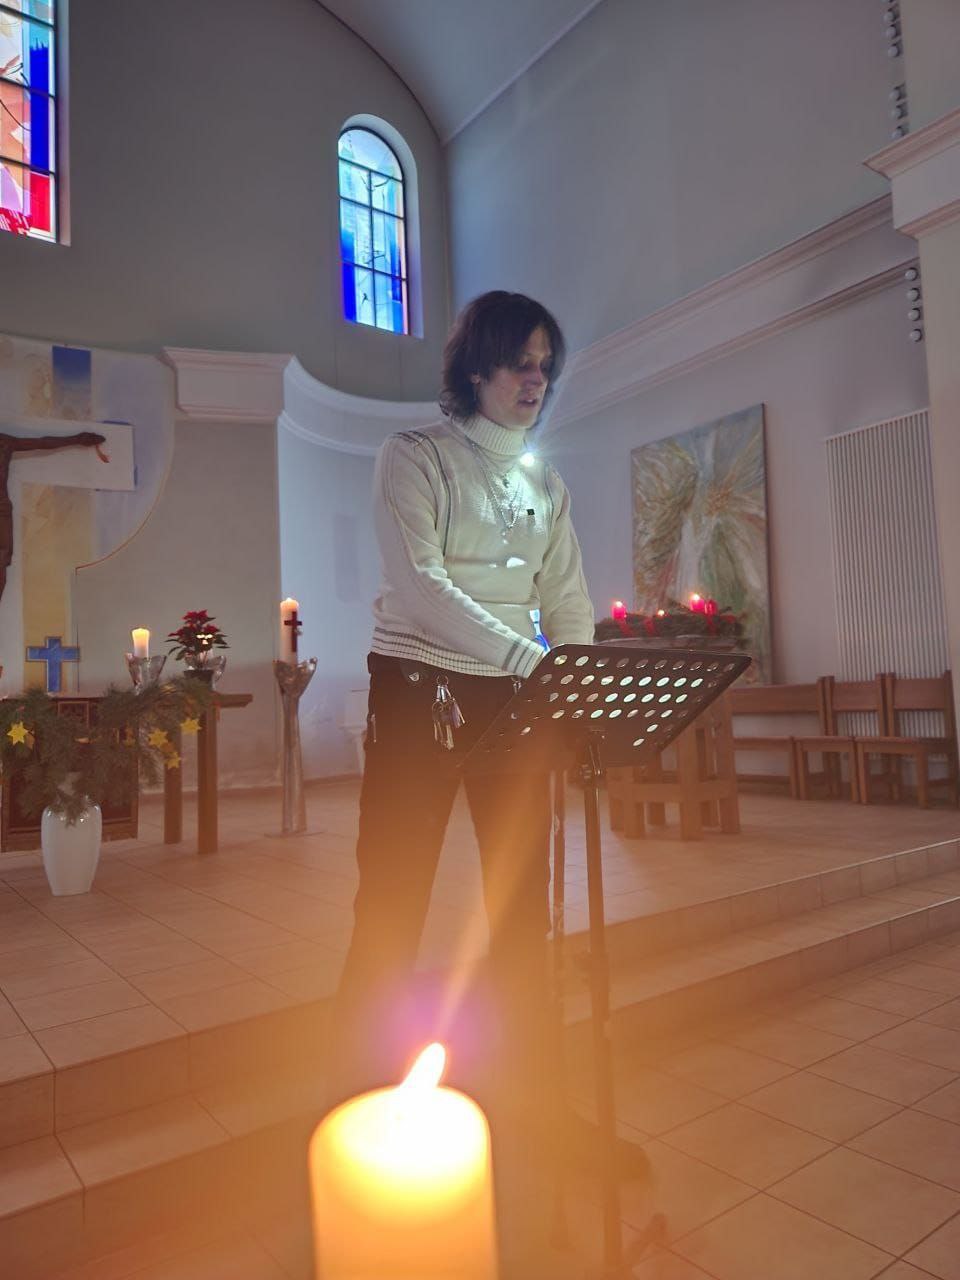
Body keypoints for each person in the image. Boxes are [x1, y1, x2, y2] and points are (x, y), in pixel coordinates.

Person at [334, 290, 598, 1146]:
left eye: (545, 365)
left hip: (514, 700)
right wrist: (533, 662)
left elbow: (564, 597)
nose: (537, 379)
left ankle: (534, 1105)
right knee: (395, 894)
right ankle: (359, 1101)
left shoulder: (545, 481)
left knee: (522, 907)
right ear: (477, 365)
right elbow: (420, 584)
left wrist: (578, 678)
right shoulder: (414, 454)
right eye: (521, 362)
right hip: (419, 688)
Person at [0, 431, 106, 601]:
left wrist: (77, 439)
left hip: (2, 509)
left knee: (3, 560)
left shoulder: (4, 442)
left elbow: (43, 442)